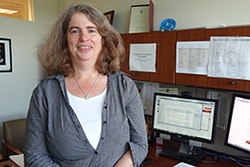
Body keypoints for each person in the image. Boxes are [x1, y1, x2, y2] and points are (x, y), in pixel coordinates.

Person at [23, 2, 148, 167]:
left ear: (103, 39)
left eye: (91, 30)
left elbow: (140, 143)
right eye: (75, 31)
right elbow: (34, 156)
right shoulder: (45, 93)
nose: (84, 38)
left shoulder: (125, 87)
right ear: (64, 40)